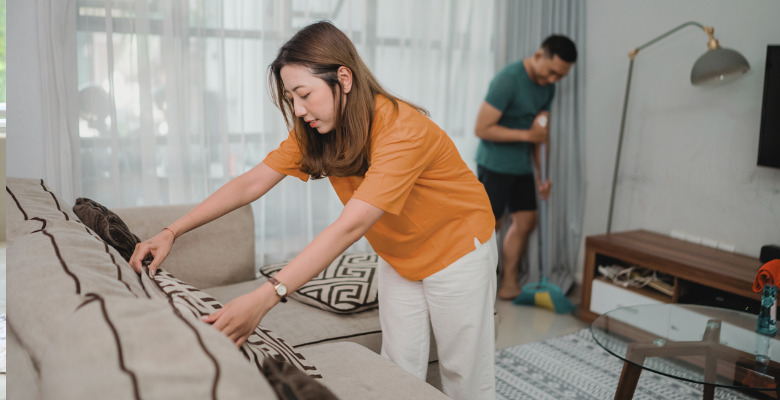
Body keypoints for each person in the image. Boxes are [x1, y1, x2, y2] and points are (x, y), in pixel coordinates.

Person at [129, 21, 498, 400]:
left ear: (344, 77)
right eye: (291, 98)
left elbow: (350, 227)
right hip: (400, 255)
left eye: (304, 94)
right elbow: (250, 184)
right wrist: (170, 231)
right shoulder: (319, 130)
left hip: (456, 250)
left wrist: (267, 296)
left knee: (464, 375)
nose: (299, 109)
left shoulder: (403, 130)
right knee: (397, 369)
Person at [474, 35, 577, 300]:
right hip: (494, 164)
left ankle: (509, 283)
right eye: (552, 72)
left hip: (521, 166)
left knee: (526, 221)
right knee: (489, 227)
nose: (554, 80)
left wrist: (544, 176)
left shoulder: (548, 87)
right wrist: (526, 136)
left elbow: (541, 135)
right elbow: (482, 128)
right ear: (539, 55)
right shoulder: (508, 79)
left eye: (561, 76)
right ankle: (478, 286)